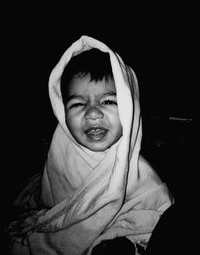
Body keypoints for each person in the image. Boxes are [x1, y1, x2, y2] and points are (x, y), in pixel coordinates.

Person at [7, 35, 173, 255]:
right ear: (61, 110)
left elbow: (157, 212)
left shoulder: (139, 174)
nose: (93, 113)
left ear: (130, 107)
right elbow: (49, 198)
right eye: (78, 104)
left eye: (107, 101)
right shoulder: (59, 156)